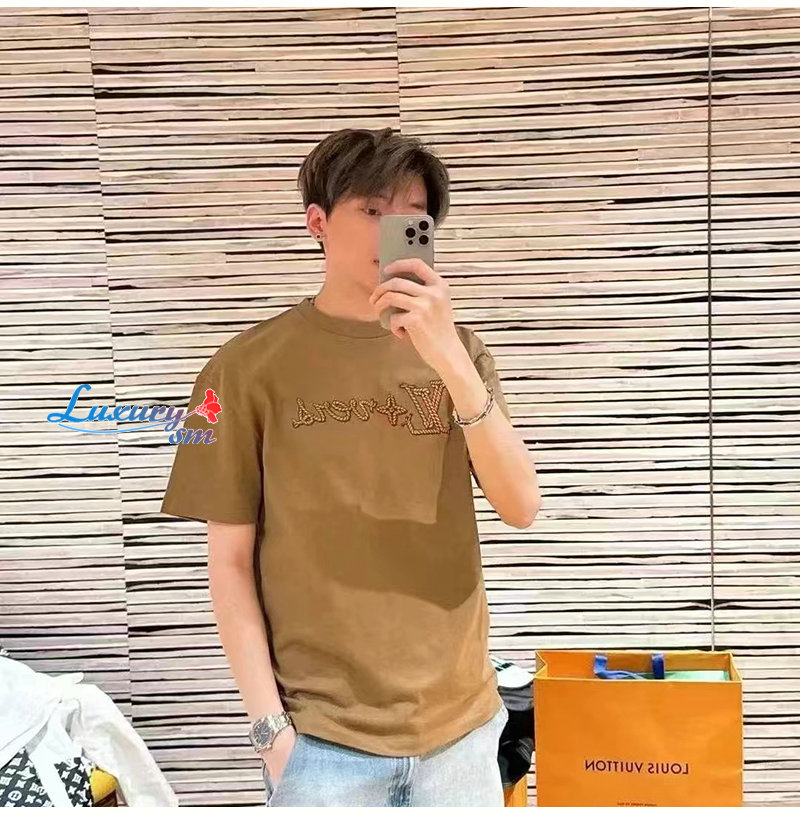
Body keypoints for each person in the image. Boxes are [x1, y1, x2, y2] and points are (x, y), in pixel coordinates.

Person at [160, 126, 540, 806]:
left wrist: (447, 357)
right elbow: (228, 564)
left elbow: (521, 506)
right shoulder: (239, 370)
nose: (394, 230)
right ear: (318, 222)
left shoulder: (463, 352)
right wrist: (271, 733)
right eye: (371, 209)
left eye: (412, 215)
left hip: (461, 730)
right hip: (319, 744)